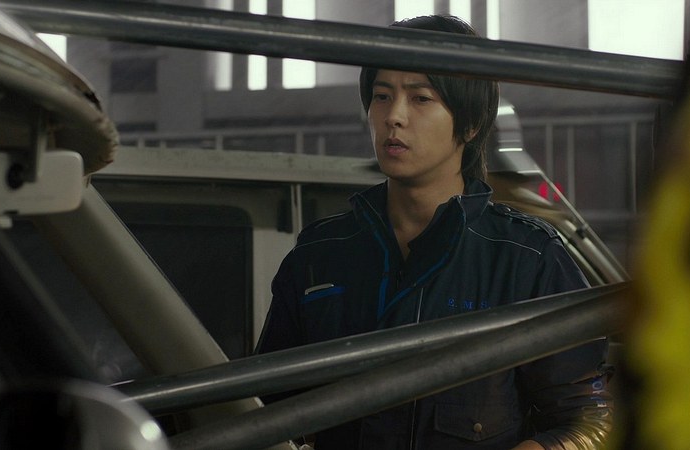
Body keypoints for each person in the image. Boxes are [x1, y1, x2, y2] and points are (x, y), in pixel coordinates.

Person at [256, 15, 613, 450]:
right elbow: (262, 411)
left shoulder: (526, 257)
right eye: (381, 96)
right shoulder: (320, 253)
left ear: (470, 123)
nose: (393, 117)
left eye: (421, 98)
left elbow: (589, 421)